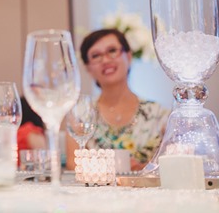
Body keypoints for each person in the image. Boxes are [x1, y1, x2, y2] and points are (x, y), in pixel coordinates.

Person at [65, 28, 169, 171]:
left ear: (129, 56)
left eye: (112, 51)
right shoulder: (81, 116)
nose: (106, 60)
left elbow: (172, 162)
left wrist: (142, 168)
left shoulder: (159, 115)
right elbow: (72, 164)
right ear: (88, 68)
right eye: (96, 56)